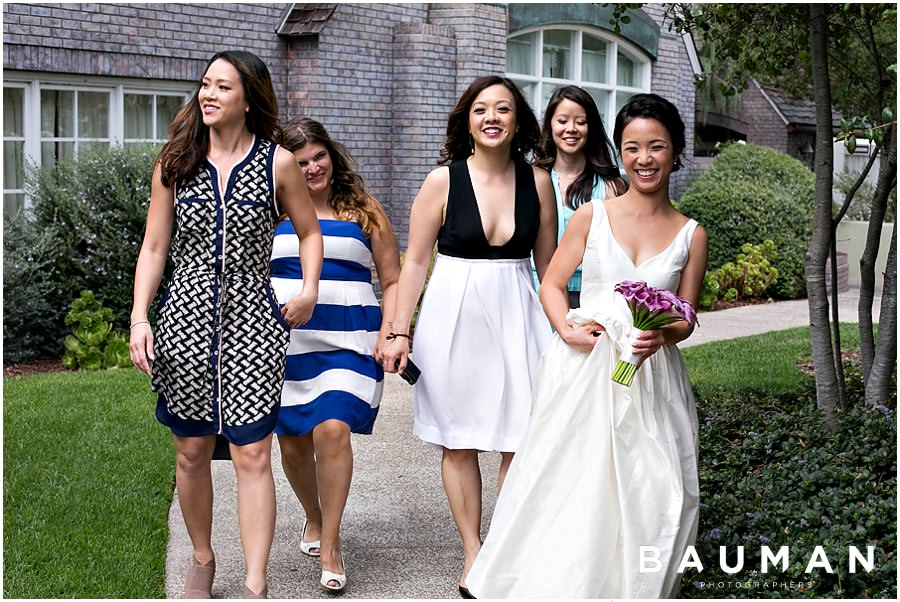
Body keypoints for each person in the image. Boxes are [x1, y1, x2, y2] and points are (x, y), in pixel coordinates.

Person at [466, 93, 709, 598]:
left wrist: (662, 333)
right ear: (620, 151)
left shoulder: (691, 234)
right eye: (633, 147)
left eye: (657, 147)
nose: (645, 159)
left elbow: (687, 316)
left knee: (656, 490)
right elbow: (551, 284)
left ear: (675, 151)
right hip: (584, 368)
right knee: (569, 484)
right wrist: (567, 330)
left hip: (651, 377)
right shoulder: (591, 216)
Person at [129, 50, 323, 599]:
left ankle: (256, 582)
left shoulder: (277, 162)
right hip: (185, 318)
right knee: (191, 451)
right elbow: (154, 246)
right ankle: (202, 557)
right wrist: (140, 316)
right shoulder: (174, 162)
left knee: (253, 451)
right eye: (205, 84)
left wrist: (307, 288)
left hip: (253, 319)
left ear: (248, 97)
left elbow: (310, 232)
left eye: (222, 86)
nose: (208, 94)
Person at [381, 75, 557, 596]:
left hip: (520, 317)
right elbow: (414, 262)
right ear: (467, 121)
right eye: (481, 110)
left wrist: (567, 327)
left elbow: (548, 268)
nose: (492, 118)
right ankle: (474, 553)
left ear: (519, 121)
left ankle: (505, 546)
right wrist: (398, 331)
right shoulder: (442, 181)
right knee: (460, 442)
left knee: (521, 441)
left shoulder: (539, 182)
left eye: (503, 109)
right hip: (452, 320)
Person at [270, 118, 401, 592]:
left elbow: (392, 279)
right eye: (300, 161)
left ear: (333, 156)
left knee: (332, 429)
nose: (311, 168)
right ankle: (313, 515)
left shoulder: (363, 211)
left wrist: (393, 331)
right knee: (292, 443)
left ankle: (332, 542)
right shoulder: (271, 213)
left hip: (349, 341)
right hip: (285, 344)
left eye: (318, 156)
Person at [533, 85, 627, 308]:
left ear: (591, 127)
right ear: (550, 125)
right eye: (562, 121)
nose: (571, 129)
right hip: (536, 294)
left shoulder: (610, 187)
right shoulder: (532, 181)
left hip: (591, 298)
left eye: (581, 122)